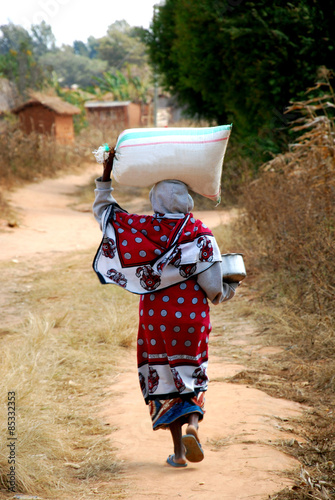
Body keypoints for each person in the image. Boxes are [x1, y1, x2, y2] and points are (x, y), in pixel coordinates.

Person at [92, 148, 238, 468]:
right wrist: (230, 289)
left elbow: (105, 212)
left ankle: (180, 454)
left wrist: (106, 172)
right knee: (192, 371)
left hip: (156, 319)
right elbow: (214, 288)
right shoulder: (201, 237)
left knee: (165, 377)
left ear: (156, 201)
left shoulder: (140, 230)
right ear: (187, 201)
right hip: (191, 318)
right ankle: (194, 426)